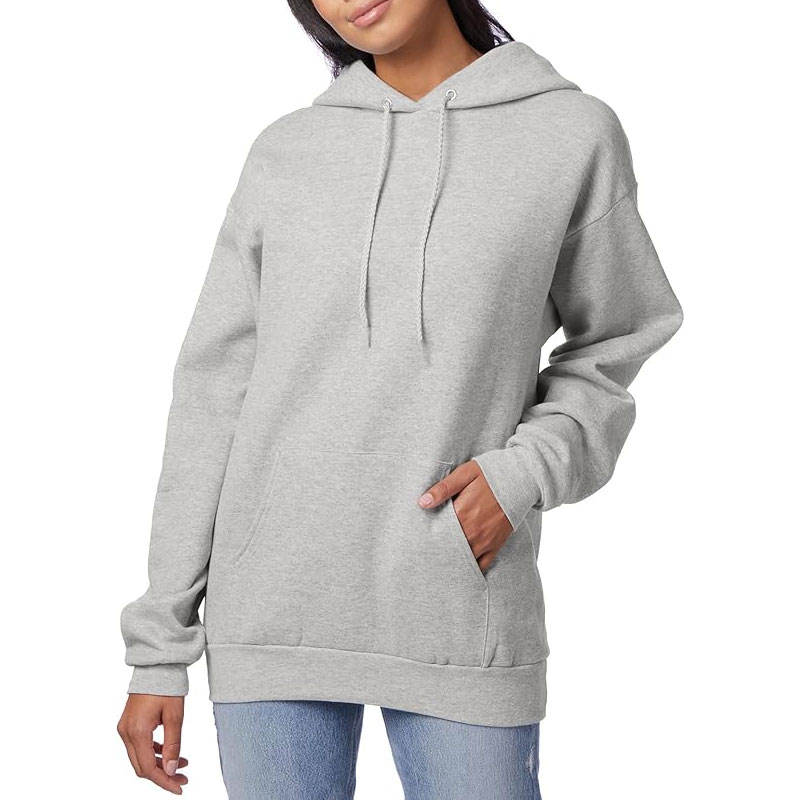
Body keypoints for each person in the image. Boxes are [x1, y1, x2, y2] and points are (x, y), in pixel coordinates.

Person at [117, 1, 683, 797]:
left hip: (458, 608)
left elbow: (620, 335)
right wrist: (159, 648)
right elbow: (214, 393)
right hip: (271, 617)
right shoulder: (287, 152)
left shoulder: (569, 134)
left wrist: (523, 474)